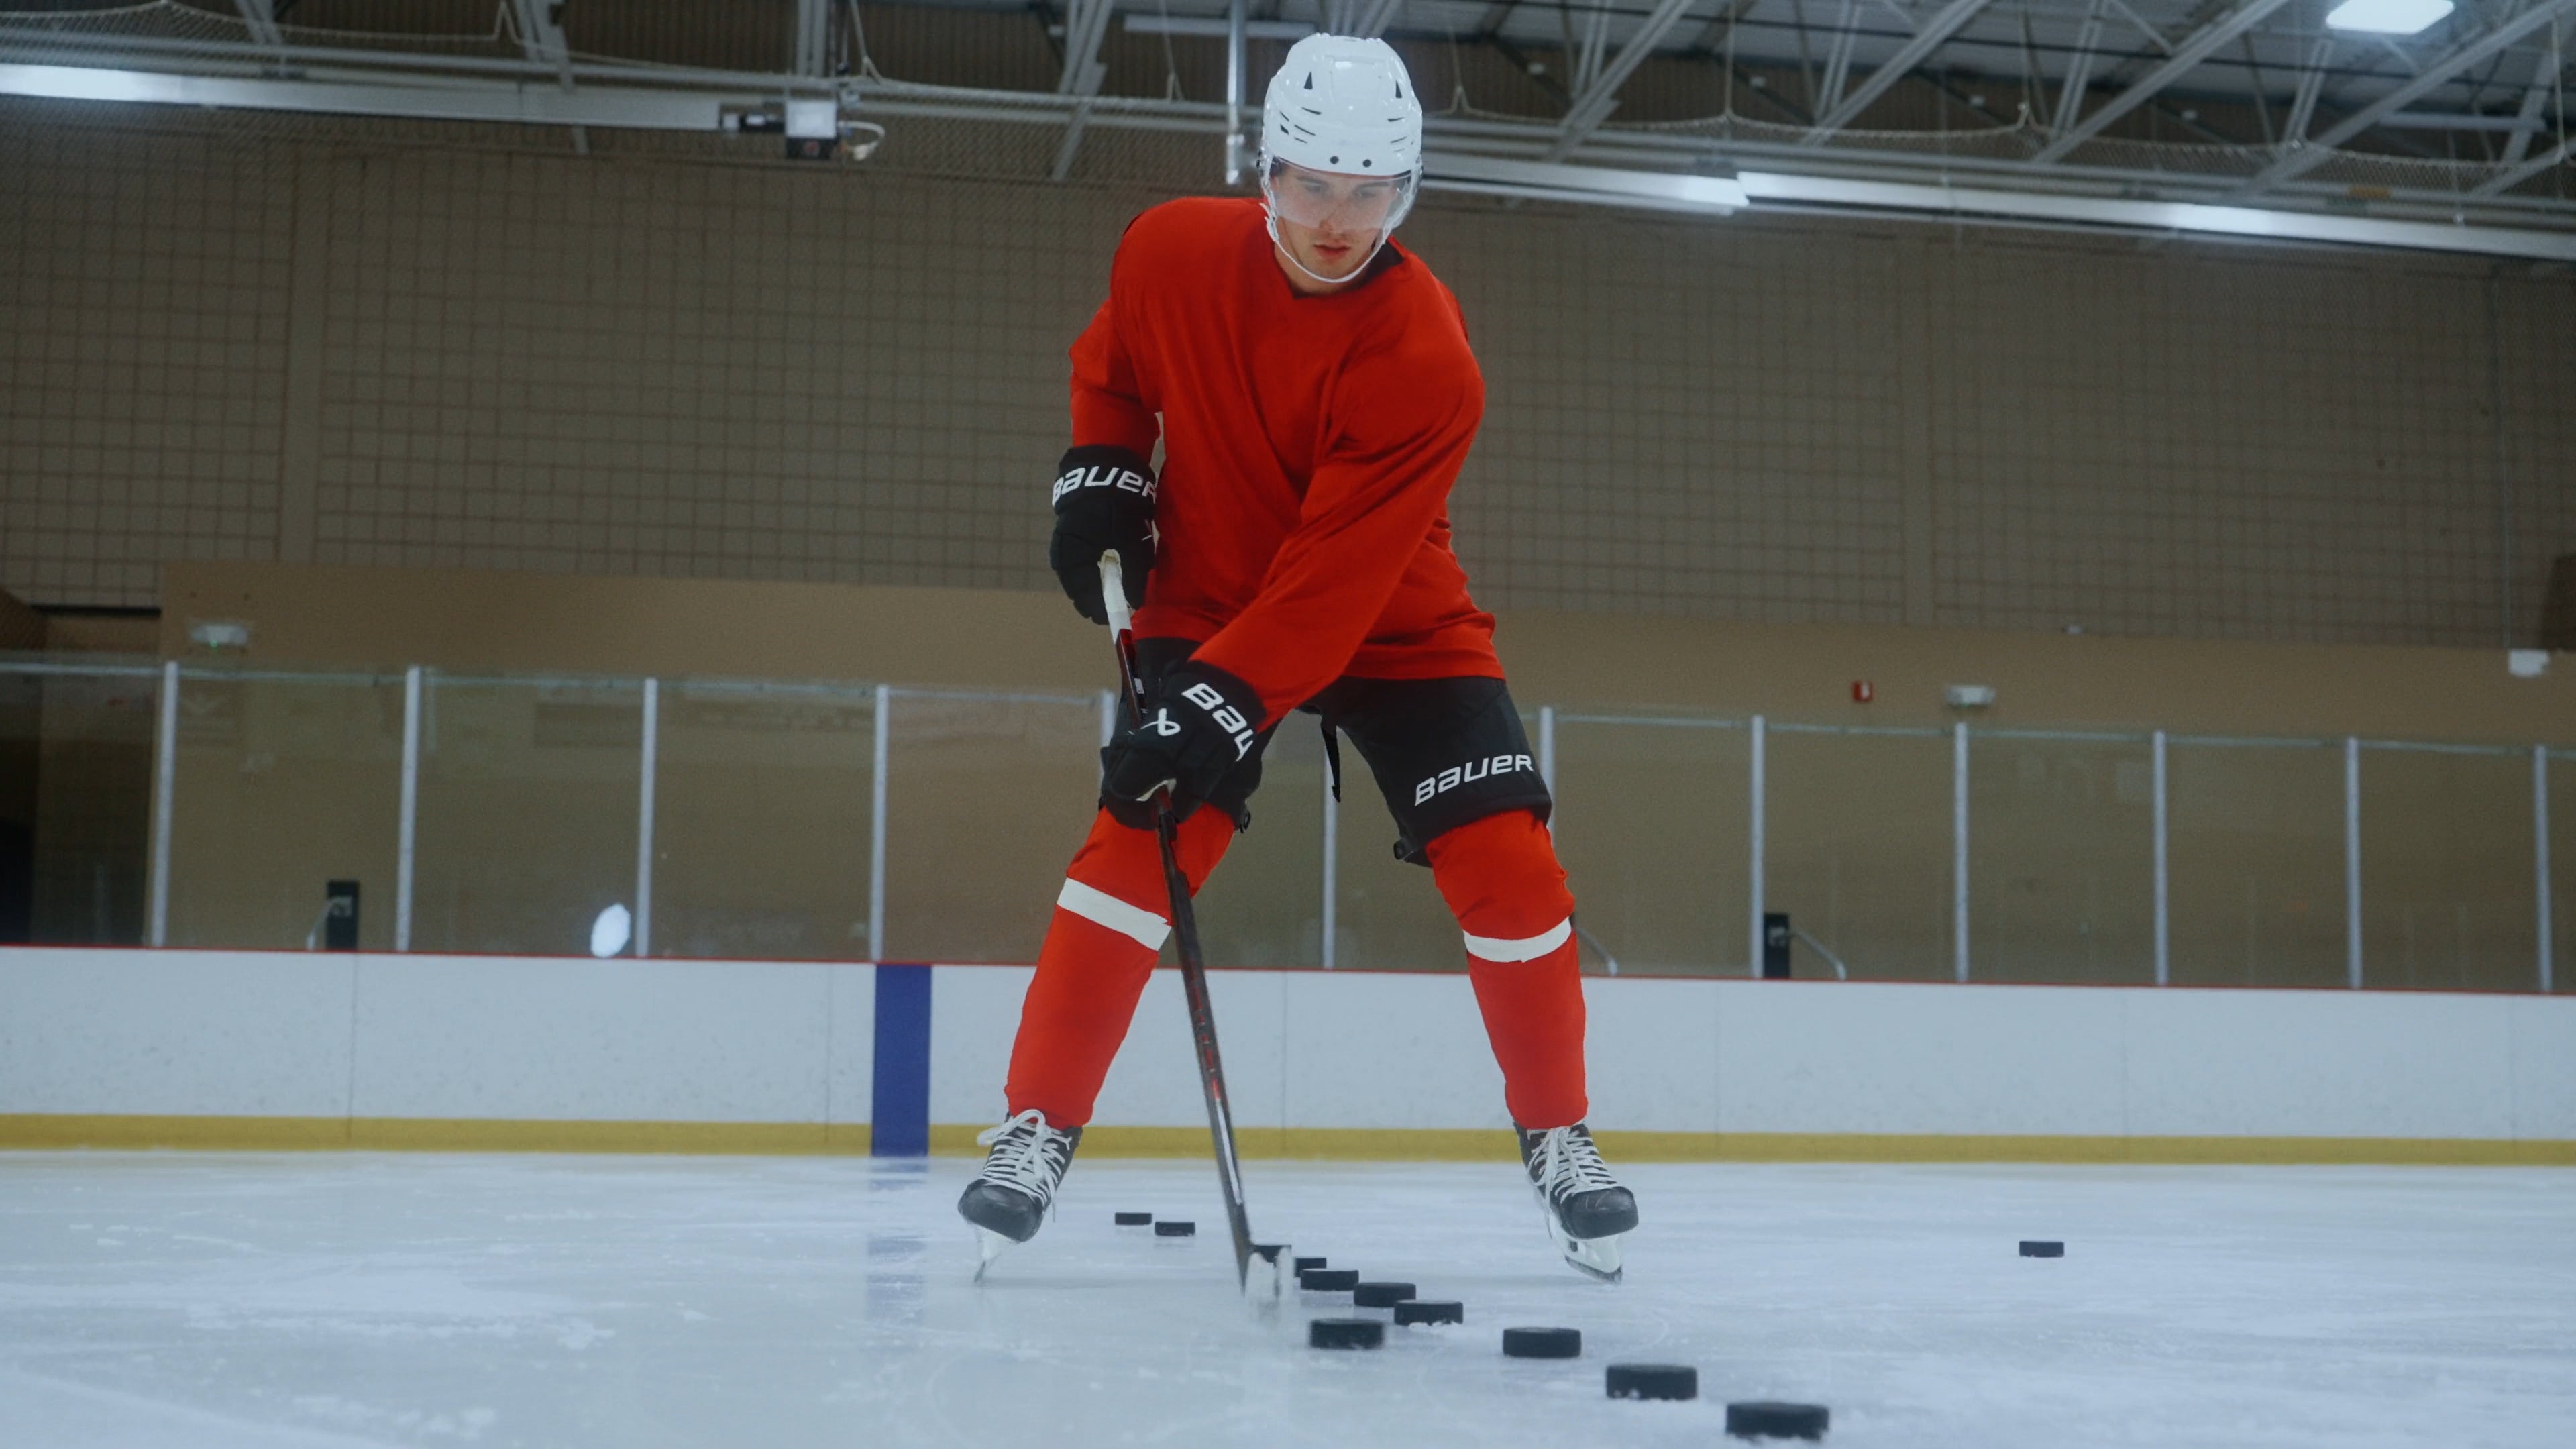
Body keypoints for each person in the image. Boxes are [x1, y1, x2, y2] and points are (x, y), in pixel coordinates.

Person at [956, 33, 1636, 1282]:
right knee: (1142, 832)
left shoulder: (1428, 355)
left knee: (1511, 868)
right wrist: (1100, 472)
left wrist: (1221, 697)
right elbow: (1113, 369)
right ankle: (1036, 1123)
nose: (1337, 220)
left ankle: (1557, 1133)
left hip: (1390, 616)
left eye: (1369, 192)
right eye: (1313, 186)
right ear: (1263, 170)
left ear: (1406, 190)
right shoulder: (1165, 249)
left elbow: (1331, 585)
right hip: (1208, 595)